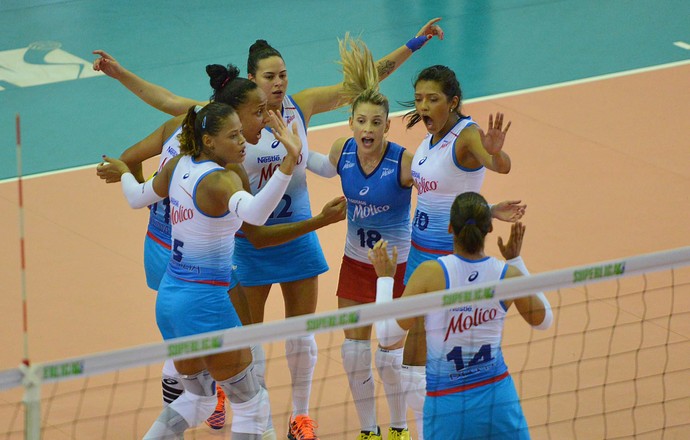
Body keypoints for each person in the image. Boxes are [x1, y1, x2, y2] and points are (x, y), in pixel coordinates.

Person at [93, 18, 444, 439]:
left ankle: (298, 415)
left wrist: (413, 45)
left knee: (298, 336)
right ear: (250, 81)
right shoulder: (224, 127)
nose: (278, 84)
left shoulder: (299, 107)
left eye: (283, 75)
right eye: (269, 77)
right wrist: (120, 74)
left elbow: (366, 81)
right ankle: (235, 396)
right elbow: (166, 100)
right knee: (246, 345)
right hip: (245, 239)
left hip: (290, 236)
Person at [96, 64, 346, 433]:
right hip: (207, 304)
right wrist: (289, 164)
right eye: (234, 135)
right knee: (253, 405)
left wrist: (124, 171)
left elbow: (136, 197)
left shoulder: (179, 164)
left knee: (196, 400)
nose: (244, 141)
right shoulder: (221, 180)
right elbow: (258, 215)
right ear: (211, 140)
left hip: (169, 300)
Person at [399, 65, 523, 439]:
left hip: (447, 262)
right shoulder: (429, 138)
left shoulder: (465, 135)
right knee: (411, 352)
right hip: (418, 253)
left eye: (433, 99)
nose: (423, 105)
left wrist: (497, 154)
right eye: (419, 98)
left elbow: (498, 166)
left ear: (453, 102)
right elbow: (441, 191)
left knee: (440, 353)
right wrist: (488, 209)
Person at [368, 191, 553, 440]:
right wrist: (516, 261)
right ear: (489, 227)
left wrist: (385, 278)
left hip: (447, 404)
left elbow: (388, 337)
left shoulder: (430, 274)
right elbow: (544, 321)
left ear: (449, 228)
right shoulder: (506, 276)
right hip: (497, 400)